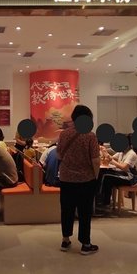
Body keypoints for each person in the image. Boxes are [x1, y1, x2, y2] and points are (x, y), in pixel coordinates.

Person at [57, 105, 100, 255]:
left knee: (66, 210)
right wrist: (96, 177)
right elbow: (95, 160)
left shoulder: (64, 134)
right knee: (84, 212)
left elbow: (59, 155)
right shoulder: (90, 136)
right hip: (85, 180)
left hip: (66, 179)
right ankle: (85, 244)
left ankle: (65, 240)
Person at [98, 136, 137, 210]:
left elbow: (124, 167)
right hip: (124, 174)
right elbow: (111, 158)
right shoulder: (121, 152)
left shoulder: (131, 154)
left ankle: (104, 203)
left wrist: (110, 160)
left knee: (106, 177)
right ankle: (101, 200)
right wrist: (104, 152)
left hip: (132, 178)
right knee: (103, 173)